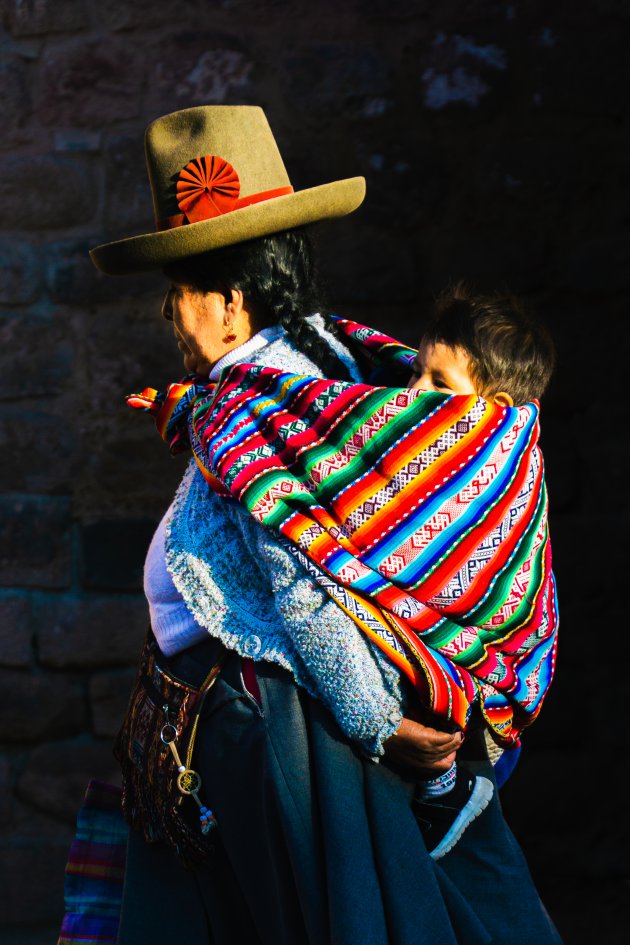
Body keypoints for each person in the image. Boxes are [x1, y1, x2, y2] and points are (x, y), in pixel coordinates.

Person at [62, 105, 563, 945]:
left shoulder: (269, 410)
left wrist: (379, 724)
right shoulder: (316, 370)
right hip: (251, 734)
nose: (170, 315)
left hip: (277, 746)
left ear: (228, 302)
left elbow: (307, 587)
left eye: (179, 293)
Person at [403, 282, 556, 858]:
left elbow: (483, 586)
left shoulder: (500, 469)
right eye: (418, 372)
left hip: (476, 711)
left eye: (441, 383)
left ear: (497, 411)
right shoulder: (411, 451)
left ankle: (454, 792)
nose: (416, 391)